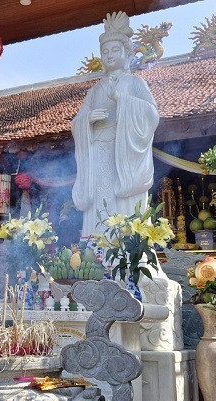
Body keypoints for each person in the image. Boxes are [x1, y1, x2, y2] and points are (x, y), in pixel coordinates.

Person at [72, 11, 160, 238]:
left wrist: (125, 101)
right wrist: (87, 122)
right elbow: (78, 121)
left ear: (127, 53)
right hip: (99, 154)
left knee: (124, 207)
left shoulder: (135, 83)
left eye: (115, 50)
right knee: (100, 204)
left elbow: (152, 115)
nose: (109, 55)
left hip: (125, 158)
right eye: (105, 51)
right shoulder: (95, 90)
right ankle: (96, 250)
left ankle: (128, 247)